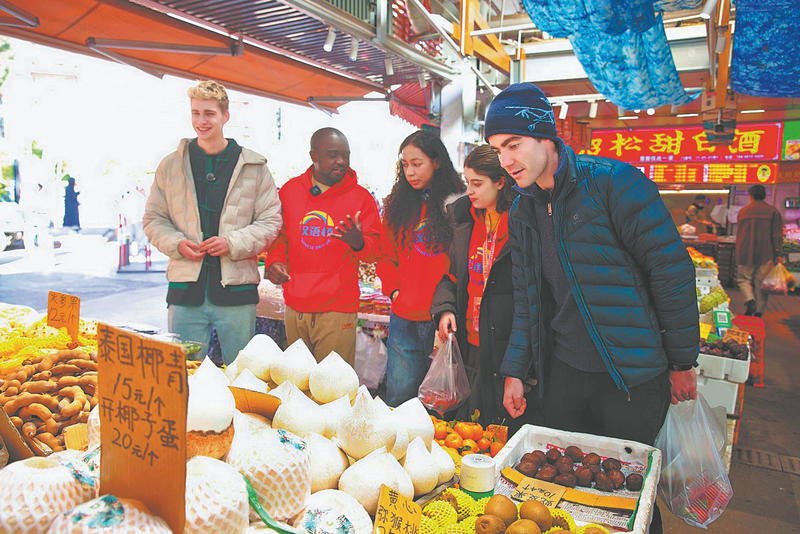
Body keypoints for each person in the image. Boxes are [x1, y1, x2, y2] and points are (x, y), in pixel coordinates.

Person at [486, 83, 699, 533]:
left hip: (630, 379)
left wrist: (682, 361)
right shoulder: (522, 211)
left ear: (546, 138)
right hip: (564, 374)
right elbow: (528, 299)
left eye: (513, 145)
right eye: (496, 149)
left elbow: (671, 273)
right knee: (568, 494)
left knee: (628, 496)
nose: (505, 160)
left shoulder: (614, 185)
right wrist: (515, 369)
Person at [144, 80, 282, 365]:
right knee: (181, 376)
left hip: (237, 293)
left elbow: (271, 221)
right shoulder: (170, 165)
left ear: (225, 115)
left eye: (208, 113)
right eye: (195, 113)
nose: (201, 121)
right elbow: (154, 218)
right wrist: (176, 243)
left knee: (240, 376)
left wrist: (231, 243)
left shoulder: (254, 167)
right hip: (185, 293)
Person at [430, 145, 540, 431]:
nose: (470, 191)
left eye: (477, 183)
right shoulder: (465, 222)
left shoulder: (525, 223)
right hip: (470, 348)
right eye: (468, 183)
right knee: (467, 433)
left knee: (502, 434)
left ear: (501, 181)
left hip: (509, 352)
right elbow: (451, 278)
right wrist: (444, 310)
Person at [265, 128, 382, 365]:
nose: (342, 162)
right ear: (313, 156)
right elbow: (281, 237)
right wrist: (274, 261)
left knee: (332, 388)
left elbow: (375, 252)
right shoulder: (290, 191)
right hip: (295, 304)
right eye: (333, 155)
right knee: (295, 383)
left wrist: (359, 243)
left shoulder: (361, 199)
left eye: (346, 156)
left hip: (337, 309)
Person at [377, 130, 465, 407]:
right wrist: (393, 292)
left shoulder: (458, 206)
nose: (410, 172)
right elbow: (385, 257)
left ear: (436, 162)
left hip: (442, 320)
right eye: (405, 165)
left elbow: (460, 263)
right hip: (403, 317)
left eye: (417, 164)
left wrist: (448, 307)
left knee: (439, 405)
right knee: (399, 400)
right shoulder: (396, 207)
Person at [735, 185, 783, 317]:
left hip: (745, 251)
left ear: (750, 196)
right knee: (761, 283)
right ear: (764, 195)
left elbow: (739, 234)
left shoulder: (744, 211)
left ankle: (750, 301)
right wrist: (778, 252)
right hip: (766, 252)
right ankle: (759, 311)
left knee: (743, 279)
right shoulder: (772, 211)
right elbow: (776, 234)